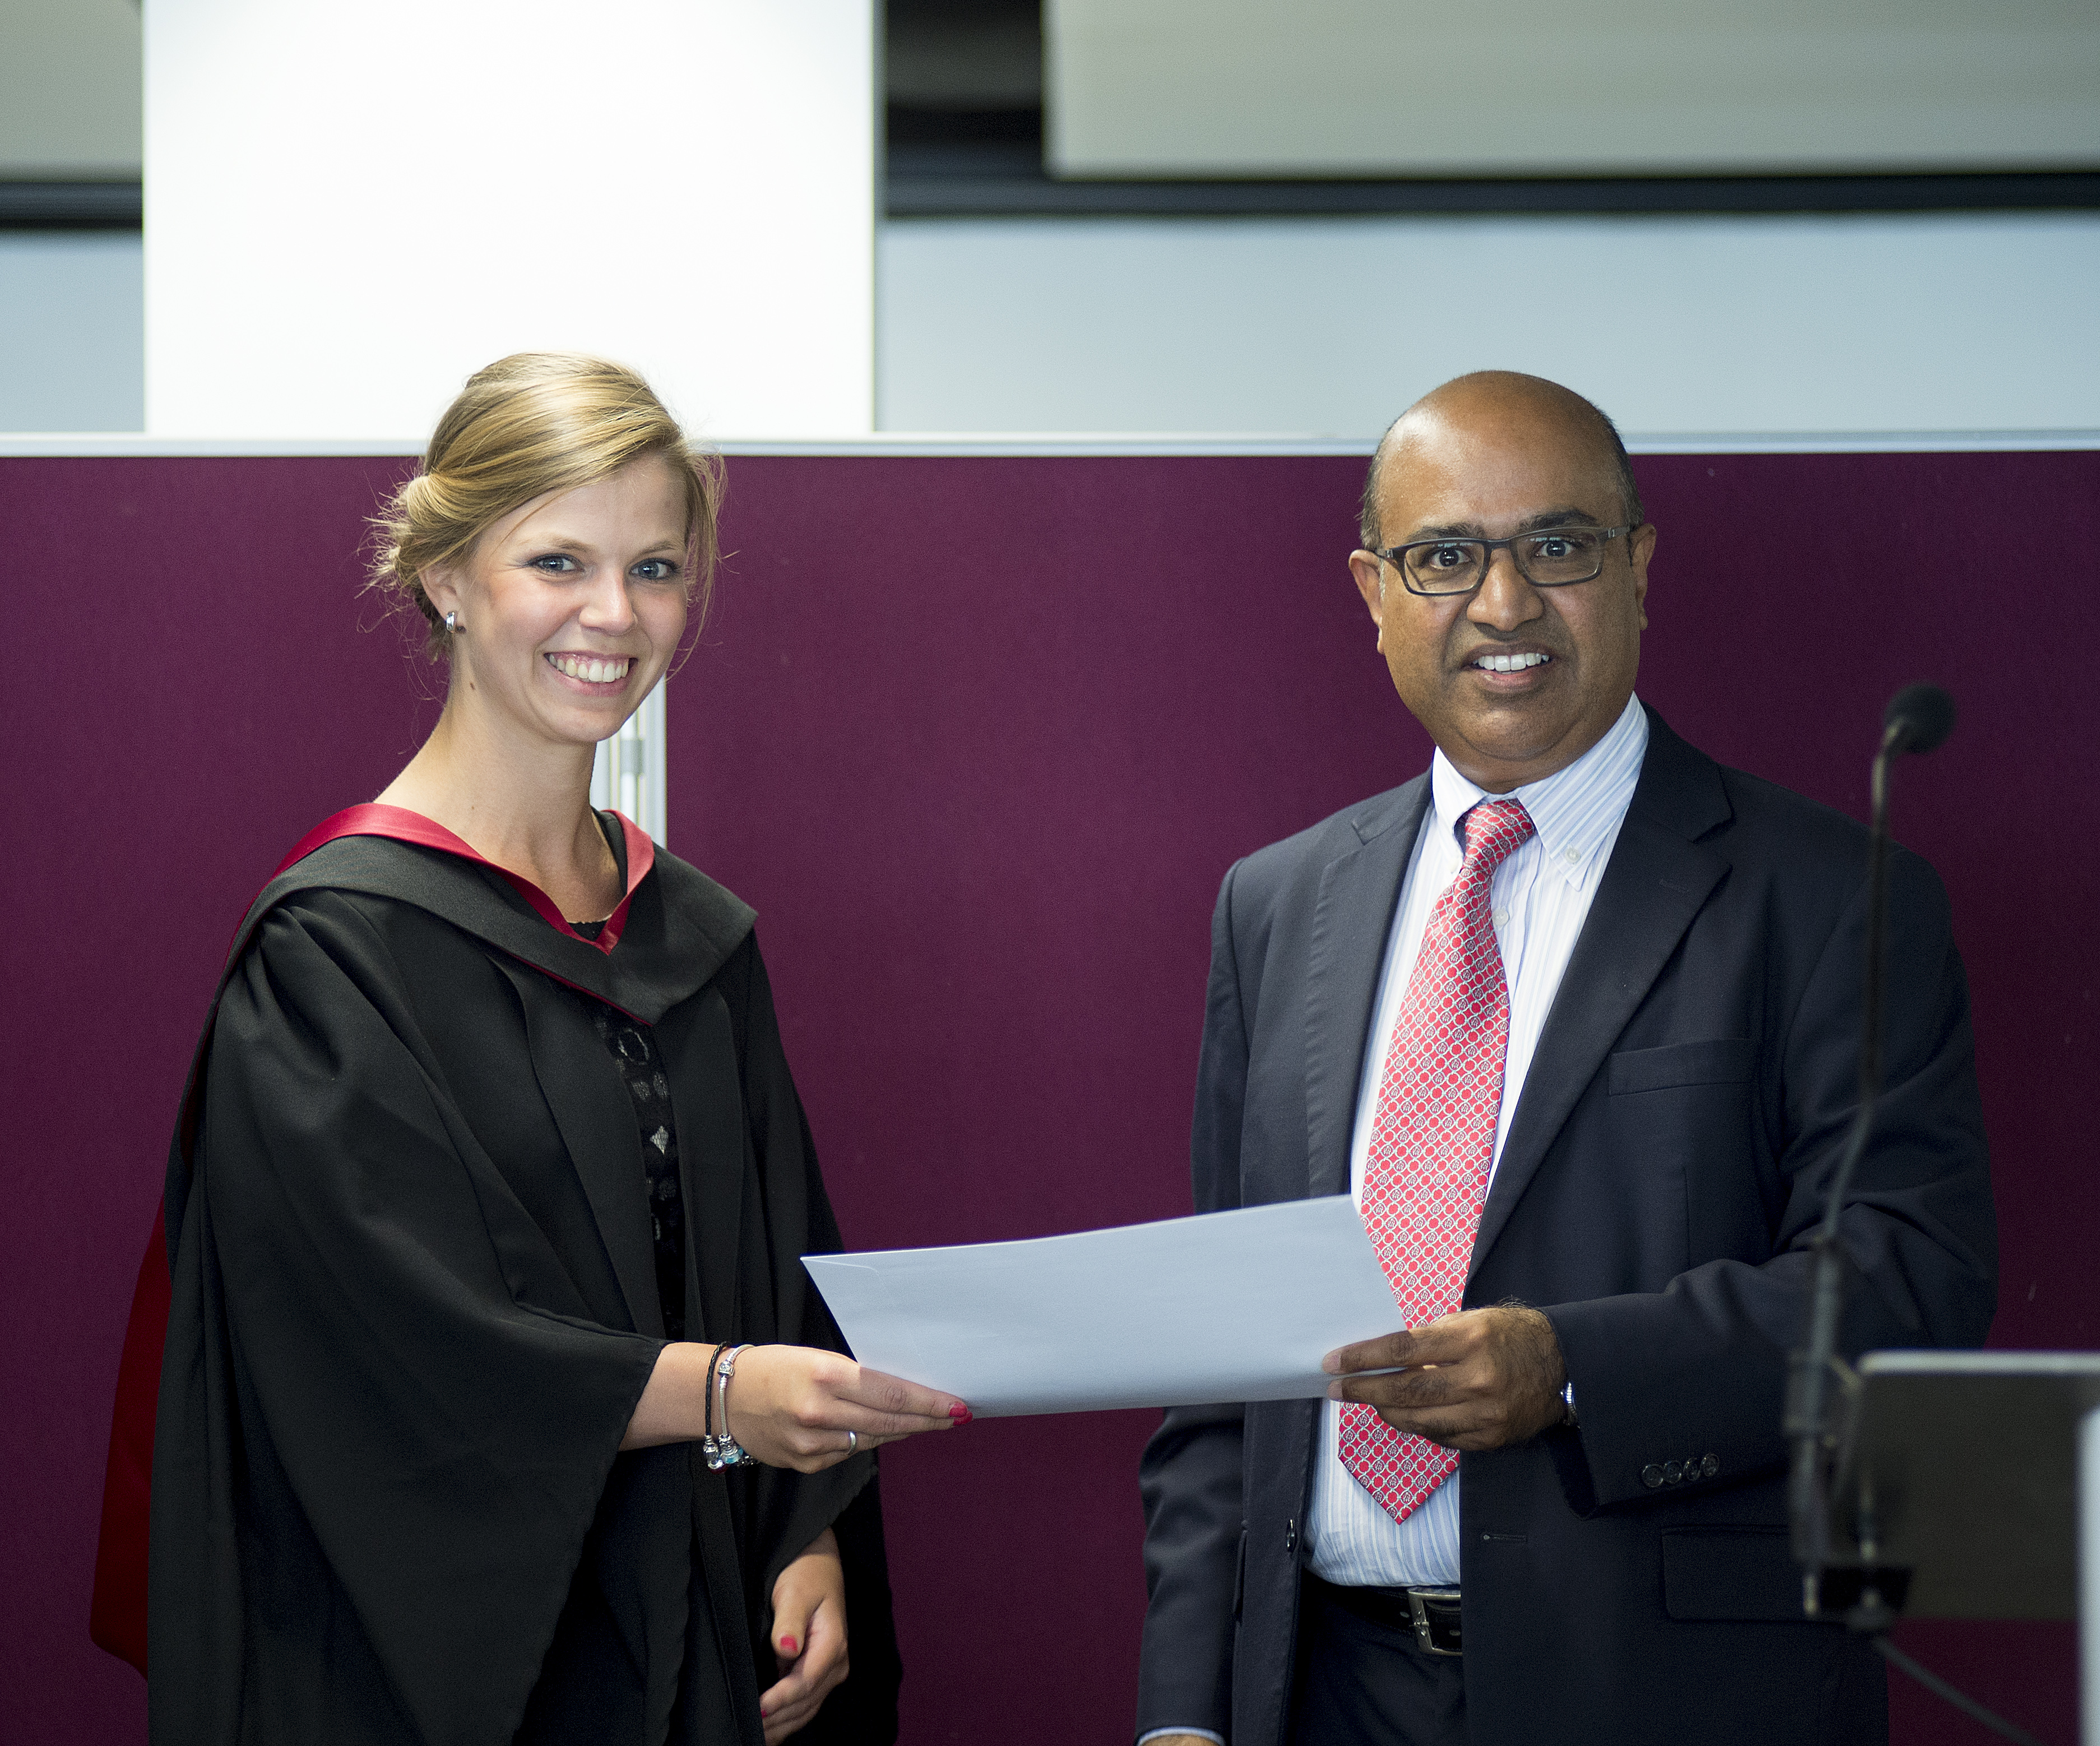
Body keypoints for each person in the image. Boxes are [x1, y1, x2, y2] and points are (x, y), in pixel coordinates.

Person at [119, 353, 971, 1746]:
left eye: (655, 568)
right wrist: (723, 1394)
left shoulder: (692, 942)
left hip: (703, 1634)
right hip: (446, 1677)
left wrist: (803, 1527)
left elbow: (779, 1274)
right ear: (447, 576)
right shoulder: (334, 955)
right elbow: (385, 1349)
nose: (613, 614)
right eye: (558, 560)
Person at [1133, 372, 1996, 1746]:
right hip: (1321, 1694)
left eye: (1555, 546)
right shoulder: (1278, 902)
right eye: (1441, 556)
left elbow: (1907, 1278)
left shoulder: (1829, 894)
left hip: (1674, 1699)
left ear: (1637, 566)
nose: (1501, 603)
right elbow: (1221, 1348)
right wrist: (1182, 1712)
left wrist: (1575, 1364)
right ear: (1371, 591)